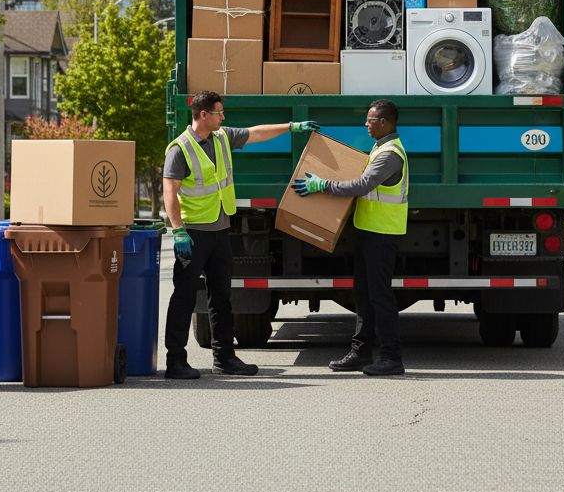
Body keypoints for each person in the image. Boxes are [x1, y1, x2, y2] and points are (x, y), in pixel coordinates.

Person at [163, 89, 319, 379]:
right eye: (219, 112)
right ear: (203, 115)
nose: (224, 117)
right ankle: (175, 361)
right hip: (194, 234)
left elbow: (255, 134)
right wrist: (178, 231)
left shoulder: (221, 137)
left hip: (220, 229)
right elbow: (169, 192)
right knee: (184, 297)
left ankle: (224, 358)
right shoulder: (180, 148)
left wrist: (291, 127)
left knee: (221, 296)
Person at [294, 99, 408, 376]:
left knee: (380, 296)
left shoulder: (391, 153)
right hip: (370, 231)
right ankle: (360, 352)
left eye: (370, 120)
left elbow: (362, 185)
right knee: (364, 294)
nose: (365, 124)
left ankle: (392, 358)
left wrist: (322, 184)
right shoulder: (379, 147)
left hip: (383, 233)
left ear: (386, 122)